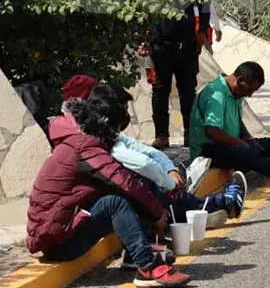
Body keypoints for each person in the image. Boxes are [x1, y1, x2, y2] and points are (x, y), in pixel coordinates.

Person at [26, 88, 190, 288]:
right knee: (116, 201)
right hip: (58, 241)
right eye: (117, 128)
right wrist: (156, 213)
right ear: (106, 126)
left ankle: (137, 254)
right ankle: (147, 267)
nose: (118, 134)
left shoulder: (79, 139)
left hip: (60, 231)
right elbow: (123, 182)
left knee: (130, 187)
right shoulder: (85, 146)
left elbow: (124, 180)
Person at [59, 77, 245, 225]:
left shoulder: (99, 130)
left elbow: (142, 150)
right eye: (122, 110)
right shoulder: (86, 137)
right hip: (99, 202)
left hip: (117, 191)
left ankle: (191, 209)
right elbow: (139, 163)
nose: (125, 115)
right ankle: (216, 204)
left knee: (166, 173)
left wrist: (169, 170)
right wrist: (168, 183)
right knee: (150, 184)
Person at [143, 0, 205, 150]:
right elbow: (140, 8)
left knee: (188, 93)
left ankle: (190, 134)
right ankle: (162, 136)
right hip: (159, 47)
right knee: (160, 91)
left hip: (187, 47)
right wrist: (142, 38)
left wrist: (202, 31)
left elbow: (204, 4)